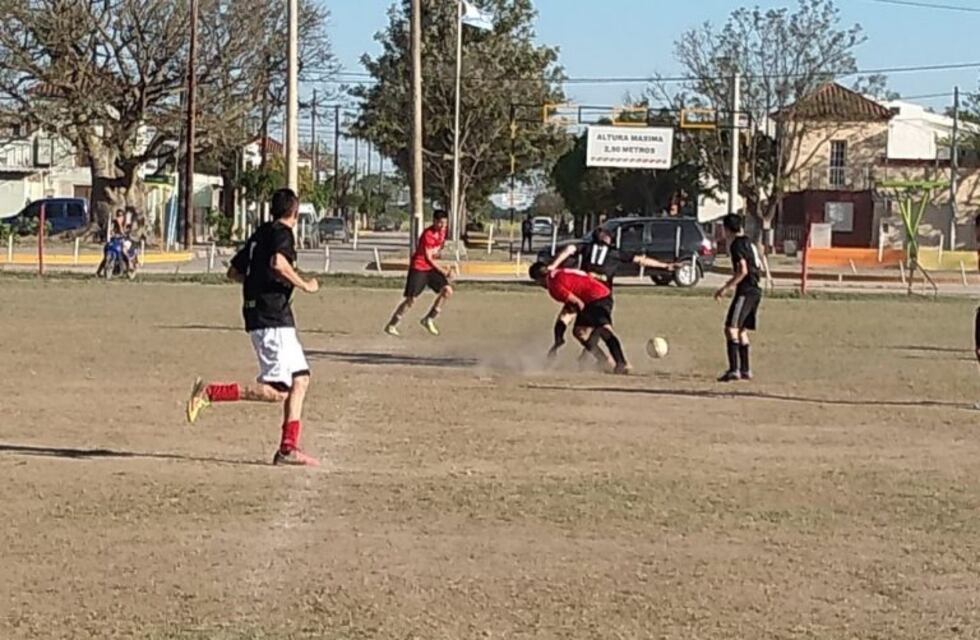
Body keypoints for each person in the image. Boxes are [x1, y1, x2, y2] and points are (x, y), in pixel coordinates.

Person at [185, 188, 321, 467]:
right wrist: (305, 283)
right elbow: (279, 263)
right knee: (278, 390)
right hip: (271, 319)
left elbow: (233, 272)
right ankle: (209, 392)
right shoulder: (283, 233)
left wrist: (256, 284)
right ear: (294, 212)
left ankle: (287, 449)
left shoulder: (261, 233)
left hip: (273, 316)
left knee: (301, 380)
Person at [529, 263, 630, 374]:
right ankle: (604, 361)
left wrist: (559, 338)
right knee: (580, 332)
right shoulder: (560, 272)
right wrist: (559, 337)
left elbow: (577, 305)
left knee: (603, 329)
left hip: (597, 298)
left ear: (538, 280)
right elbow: (570, 308)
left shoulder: (553, 286)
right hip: (600, 294)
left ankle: (621, 363)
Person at [385, 209, 454, 337]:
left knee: (447, 290)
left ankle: (429, 319)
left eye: (445, 223)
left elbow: (436, 252)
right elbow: (427, 258)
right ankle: (392, 324)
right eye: (440, 223)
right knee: (411, 300)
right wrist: (443, 270)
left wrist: (446, 264)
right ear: (434, 221)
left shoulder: (443, 232)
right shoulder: (428, 234)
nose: (443, 226)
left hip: (430, 268)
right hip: (419, 268)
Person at [714, 213, 763, 382]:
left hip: (746, 290)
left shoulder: (737, 245)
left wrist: (726, 287)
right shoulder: (749, 242)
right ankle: (746, 370)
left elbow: (743, 270)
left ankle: (734, 369)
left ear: (727, 229)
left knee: (730, 328)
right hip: (756, 289)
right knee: (741, 330)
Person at [547, 226, 675, 288]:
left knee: (572, 313)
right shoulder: (614, 253)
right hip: (602, 291)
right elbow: (641, 260)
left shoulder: (587, 247)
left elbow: (569, 249)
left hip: (584, 287)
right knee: (602, 324)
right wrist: (664, 265)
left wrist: (554, 264)